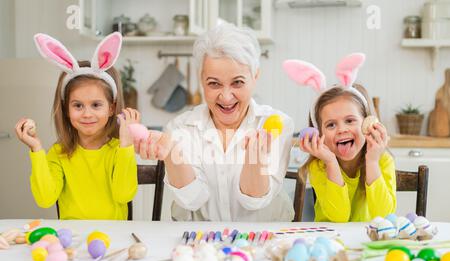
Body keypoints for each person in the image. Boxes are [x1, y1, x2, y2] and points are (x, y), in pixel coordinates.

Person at [138, 23, 295, 221]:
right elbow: (192, 200)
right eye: (214, 83)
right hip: (200, 243)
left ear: (255, 77)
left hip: (265, 240)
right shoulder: (180, 129)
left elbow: (255, 202)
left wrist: (255, 158)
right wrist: (170, 152)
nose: (226, 97)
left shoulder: (276, 125)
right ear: (201, 80)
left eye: (237, 82)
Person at [15, 32, 139, 220]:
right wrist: (36, 149)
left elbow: (124, 195)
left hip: (114, 238)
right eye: (78, 105)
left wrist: (127, 145)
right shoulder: (58, 153)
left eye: (96, 105)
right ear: (66, 109)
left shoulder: (118, 151)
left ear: (111, 108)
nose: (87, 114)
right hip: (72, 239)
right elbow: (45, 199)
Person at [284, 53, 396, 222]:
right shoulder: (319, 166)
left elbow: (385, 215)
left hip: (367, 242)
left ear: (367, 123)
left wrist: (372, 162)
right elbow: (339, 218)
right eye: (331, 125)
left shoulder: (382, 161)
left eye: (350, 120)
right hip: (329, 241)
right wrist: (331, 162)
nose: (341, 130)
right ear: (319, 133)